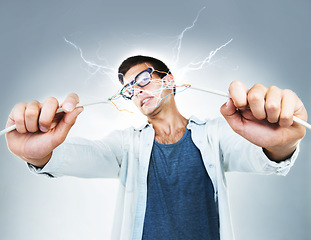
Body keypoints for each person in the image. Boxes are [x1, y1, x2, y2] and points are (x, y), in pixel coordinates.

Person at [5, 55, 308, 240]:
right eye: (129, 89)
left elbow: (263, 155)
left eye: (144, 79)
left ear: (170, 81)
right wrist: (41, 152)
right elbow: (79, 156)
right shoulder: (125, 144)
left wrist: (283, 141)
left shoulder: (215, 133)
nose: (136, 91)